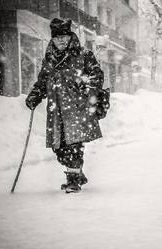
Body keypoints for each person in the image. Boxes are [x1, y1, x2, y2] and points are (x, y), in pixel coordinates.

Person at [25, 18, 106, 193]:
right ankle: (77, 173)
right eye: (57, 37)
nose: (61, 40)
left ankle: (73, 180)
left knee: (73, 146)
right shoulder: (49, 59)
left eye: (64, 36)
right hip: (56, 110)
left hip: (77, 108)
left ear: (70, 37)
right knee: (59, 148)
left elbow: (97, 76)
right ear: (52, 39)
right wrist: (35, 95)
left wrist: (87, 89)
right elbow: (43, 81)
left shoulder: (83, 55)